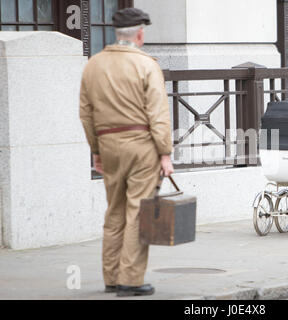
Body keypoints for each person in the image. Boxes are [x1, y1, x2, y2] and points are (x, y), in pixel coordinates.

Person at [79, 7, 174, 297]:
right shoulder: (146, 65)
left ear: (117, 33)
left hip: (108, 145)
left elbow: (85, 113)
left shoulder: (93, 64)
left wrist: (95, 150)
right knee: (137, 211)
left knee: (115, 211)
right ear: (140, 34)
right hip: (141, 145)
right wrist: (165, 153)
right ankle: (130, 280)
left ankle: (110, 277)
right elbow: (157, 113)